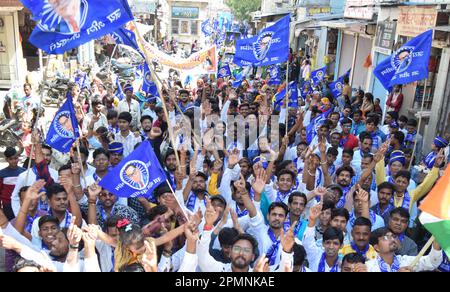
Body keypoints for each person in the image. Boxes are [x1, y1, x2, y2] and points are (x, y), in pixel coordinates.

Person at [366, 228, 442, 272]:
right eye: (386, 237)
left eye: (393, 236)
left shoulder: (405, 261)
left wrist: (437, 243)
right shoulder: (368, 267)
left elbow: (431, 263)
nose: (392, 239)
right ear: (376, 247)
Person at [0, 147, 26, 220]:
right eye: (11, 159)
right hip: (7, 204)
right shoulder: (2, 173)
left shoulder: (24, 172)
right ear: (7, 160)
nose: (14, 161)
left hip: (21, 203)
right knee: (10, 225)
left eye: (15, 158)